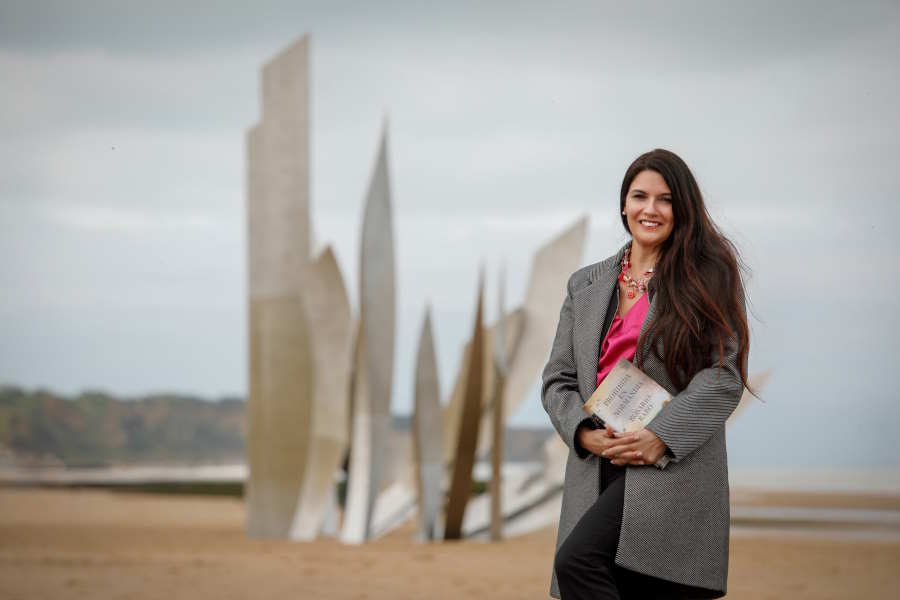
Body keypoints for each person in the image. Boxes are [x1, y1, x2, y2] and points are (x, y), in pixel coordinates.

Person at [541, 149, 751, 599]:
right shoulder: (585, 285)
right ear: (623, 204)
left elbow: (723, 374)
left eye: (666, 199)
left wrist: (661, 435)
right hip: (598, 463)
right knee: (607, 579)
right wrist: (581, 432)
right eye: (640, 196)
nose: (650, 209)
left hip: (669, 465)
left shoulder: (706, 277)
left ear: (682, 209)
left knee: (577, 561)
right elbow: (557, 379)